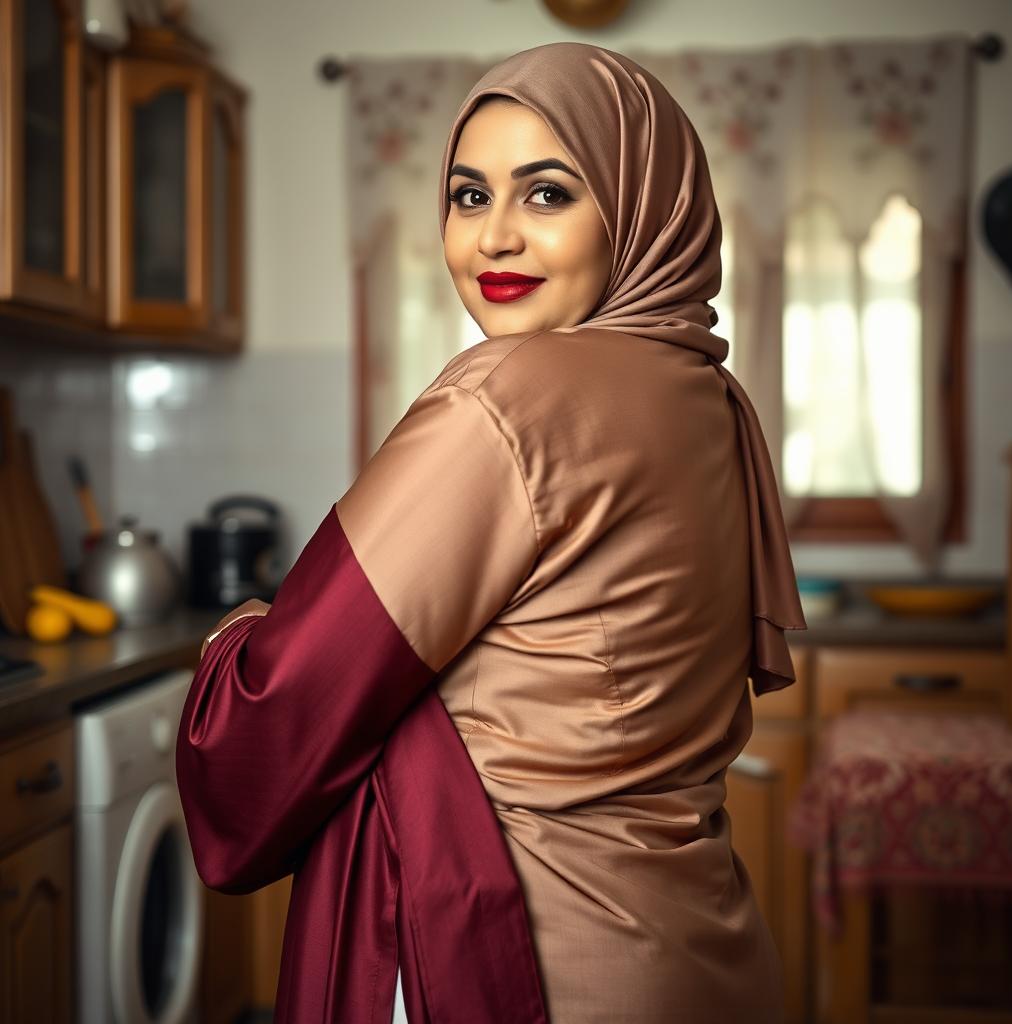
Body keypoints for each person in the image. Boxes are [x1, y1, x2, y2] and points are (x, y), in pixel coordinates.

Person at [185, 40, 806, 1023]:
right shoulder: (707, 396)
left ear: (639, 207)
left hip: (513, 960)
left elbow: (282, 698)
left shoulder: (510, 392)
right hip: (699, 948)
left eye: (547, 194)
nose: (494, 238)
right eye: (469, 196)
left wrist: (235, 638)